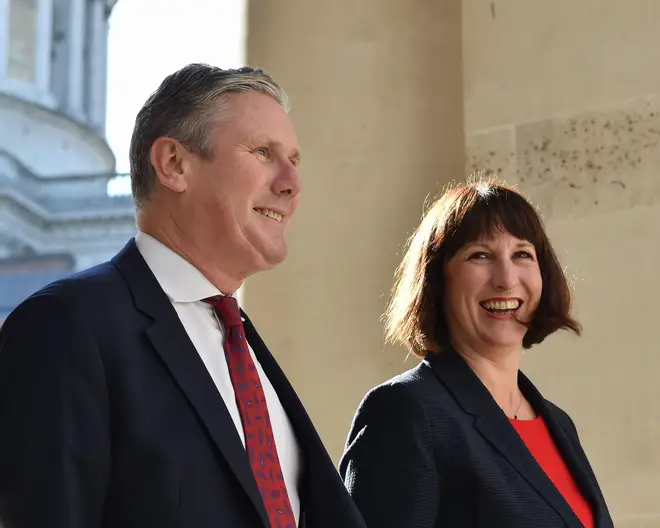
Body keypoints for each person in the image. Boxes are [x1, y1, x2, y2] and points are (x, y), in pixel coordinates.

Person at [0, 64, 365, 528]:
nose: (292, 183)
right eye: (262, 152)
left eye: (294, 160)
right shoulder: (66, 326)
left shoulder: (242, 345)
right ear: (174, 164)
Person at [339, 180, 613, 527]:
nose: (506, 279)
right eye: (480, 256)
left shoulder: (558, 424)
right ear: (438, 280)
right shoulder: (405, 411)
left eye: (522, 254)